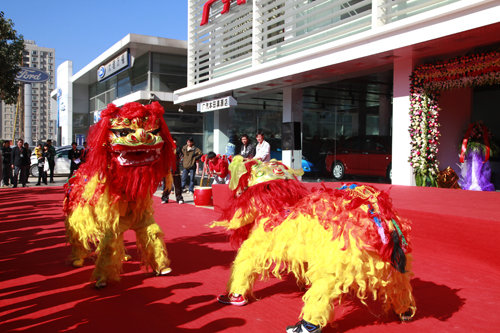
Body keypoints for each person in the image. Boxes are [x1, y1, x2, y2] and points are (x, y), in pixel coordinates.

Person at [162, 138, 184, 204]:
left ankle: (179, 198)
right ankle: (165, 198)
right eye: (172, 141)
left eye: (175, 141)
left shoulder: (178, 149)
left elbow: (182, 157)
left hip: (176, 169)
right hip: (167, 169)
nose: (174, 142)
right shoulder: (166, 149)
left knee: (177, 185)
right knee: (167, 185)